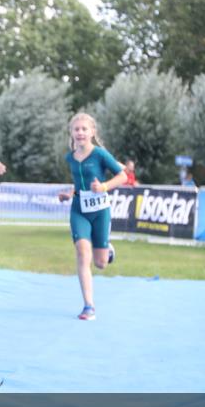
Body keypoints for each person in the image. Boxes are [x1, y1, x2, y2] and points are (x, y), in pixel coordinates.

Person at [58, 112, 127, 321]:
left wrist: (104, 186)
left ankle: (108, 250)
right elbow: (79, 185)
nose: (80, 133)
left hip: (100, 211)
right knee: (82, 252)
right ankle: (89, 306)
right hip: (79, 210)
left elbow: (123, 175)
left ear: (92, 132)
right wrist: (69, 193)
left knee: (100, 263)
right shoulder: (69, 157)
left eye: (84, 129)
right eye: (76, 129)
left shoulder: (100, 155)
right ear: (71, 133)